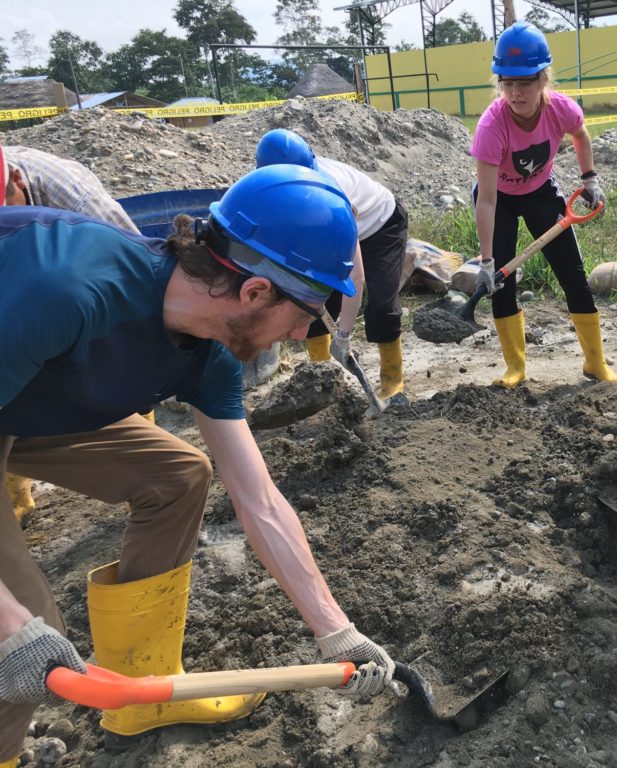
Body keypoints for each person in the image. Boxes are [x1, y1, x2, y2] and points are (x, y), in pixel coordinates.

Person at [0, 163, 397, 766]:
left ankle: (143, 693)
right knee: (24, 634)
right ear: (256, 292)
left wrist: (334, 630)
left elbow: (259, 499)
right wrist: (11, 622)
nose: (297, 336)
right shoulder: (65, 288)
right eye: (305, 315)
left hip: (24, 400)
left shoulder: (206, 357)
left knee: (178, 475)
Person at [472, 21, 617, 387]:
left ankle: (595, 363)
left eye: (524, 82)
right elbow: (487, 200)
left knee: (573, 275)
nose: (515, 92)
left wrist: (590, 178)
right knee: (502, 284)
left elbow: (581, 134)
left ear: (543, 79)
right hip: (501, 201)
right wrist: (487, 262)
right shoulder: (492, 127)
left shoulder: (560, 109)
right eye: (507, 83)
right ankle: (515, 368)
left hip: (541, 194)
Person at [2, 145, 145, 529]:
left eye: (5, 206)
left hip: (91, 294)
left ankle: (144, 475)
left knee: (130, 367)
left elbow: (141, 268)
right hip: (24, 307)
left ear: (17, 179)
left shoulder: (72, 193)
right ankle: (17, 499)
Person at [255, 129, 409, 401]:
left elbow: (355, 279)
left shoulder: (330, 193)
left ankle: (392, 385)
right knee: (312, 301)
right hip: (328, 229)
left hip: (381, 225)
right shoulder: (269, 187)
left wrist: (344, 334)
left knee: (382, 306)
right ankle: (322, 384)